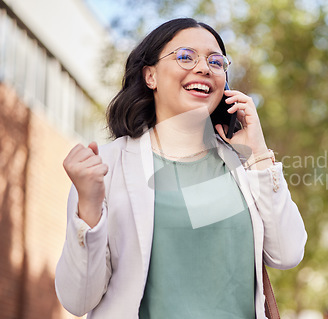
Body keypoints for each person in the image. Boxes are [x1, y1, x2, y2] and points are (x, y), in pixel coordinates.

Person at [55, 18, 307, 319]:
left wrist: (259, 153)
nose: (204, 68)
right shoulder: (106, 168)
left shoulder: (243, 164)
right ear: (151, 76)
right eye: (186, 56)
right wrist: (89, 206)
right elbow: (77, 299)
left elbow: (287, 253)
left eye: (216, 61)